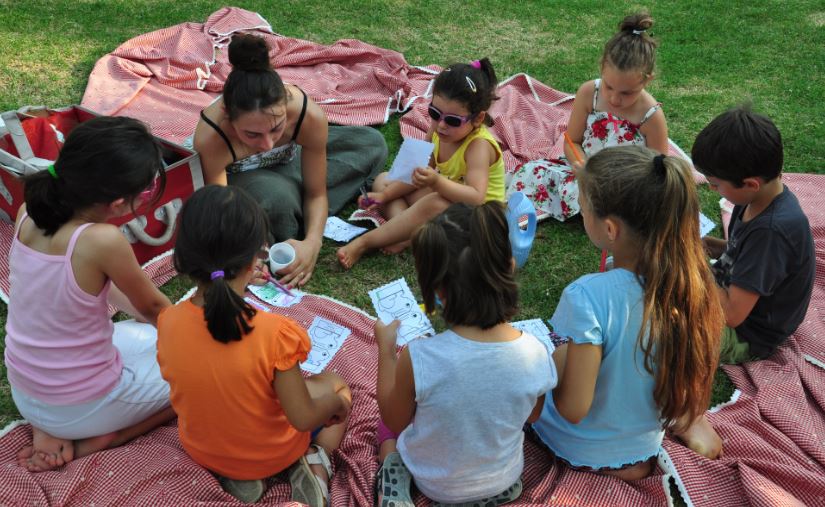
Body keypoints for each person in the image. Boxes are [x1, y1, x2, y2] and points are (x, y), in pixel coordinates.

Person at [533, 146, 726, 480]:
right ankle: (688, 421)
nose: (581, 211)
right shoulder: (695, 286)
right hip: (639, 453)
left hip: (576, 448)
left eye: (583, 207)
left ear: (610, 229)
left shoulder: (587, 296)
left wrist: (553, 358)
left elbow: (573, 409)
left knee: (546, 355)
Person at [157, 185, 352, 505]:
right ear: (255, 261)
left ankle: (240, 477)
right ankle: (317, 461)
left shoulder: (168, 321)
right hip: (274, 453)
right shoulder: (275, 334)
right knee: (335, 384)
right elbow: (302, 417)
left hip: (205, 452)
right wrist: (336, 405)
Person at [5, 116, 174, 472]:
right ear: (118, 203)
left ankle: (48, 429)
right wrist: (212, 340)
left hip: (28, 391)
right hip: (81, 406)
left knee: (146, 336)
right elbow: (156, 307)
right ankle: (103, 439)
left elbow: (132, 306)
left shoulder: (27, 214)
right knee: (201, 375)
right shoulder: (101, 241)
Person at [374, 201, 556, 505]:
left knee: (386, 432)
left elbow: (393, 420)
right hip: (504, 479)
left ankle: (393, 474)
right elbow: (534, 415)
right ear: (509, 267)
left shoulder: (419, 357)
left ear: (438, 290)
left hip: (434, 484)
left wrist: (386, 351)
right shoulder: (535, 352)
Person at [192, 33, 387, 288]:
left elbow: (316, 193)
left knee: (370, 143)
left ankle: (289, 209)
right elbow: (223, 211)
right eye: (252, 134)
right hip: (245, 182)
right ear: (228, 116)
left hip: (291, 164)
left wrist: (312, 244)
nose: (267, 144)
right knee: (276, 199)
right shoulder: (212, 136)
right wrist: (246, 258)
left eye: (276, 128)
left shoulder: (307, 114)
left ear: (286, 103)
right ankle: (285, 208)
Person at [337, 58, 506, 269]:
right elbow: (416, 174)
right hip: (450, 204)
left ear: (478, 118)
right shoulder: (437, 130)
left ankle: (366, 242)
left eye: (453, 120)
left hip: (480, 221)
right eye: (434, 113)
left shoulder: (478, 146)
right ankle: (407, 234)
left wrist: (436, 182)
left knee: (435, 201)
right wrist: (385, 195)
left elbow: (476, 198)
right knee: (384, 181)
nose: (441, 125)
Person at [507, 12, 669, 221]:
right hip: (587, 175)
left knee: (639, 206)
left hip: (628, 184)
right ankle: (594, 213)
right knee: (532, 173)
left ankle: (598, 215)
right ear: (602, 67)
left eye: (627, 93)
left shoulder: (651, 116)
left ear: (647, 81)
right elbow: (572, 141)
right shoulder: (589, 93)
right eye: (609, 87)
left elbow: (659, 170)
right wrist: (583, 168)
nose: (614, 99)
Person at [693, 106, 815, 363]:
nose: (713, 189)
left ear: (750, 184)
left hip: (745, 335)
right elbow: (741, 250)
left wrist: (693, 264)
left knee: (659, 327)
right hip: (728, 296)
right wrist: (706, 245)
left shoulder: (771, 233)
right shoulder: (754, 200)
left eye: (715, 184)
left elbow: (732, 315)